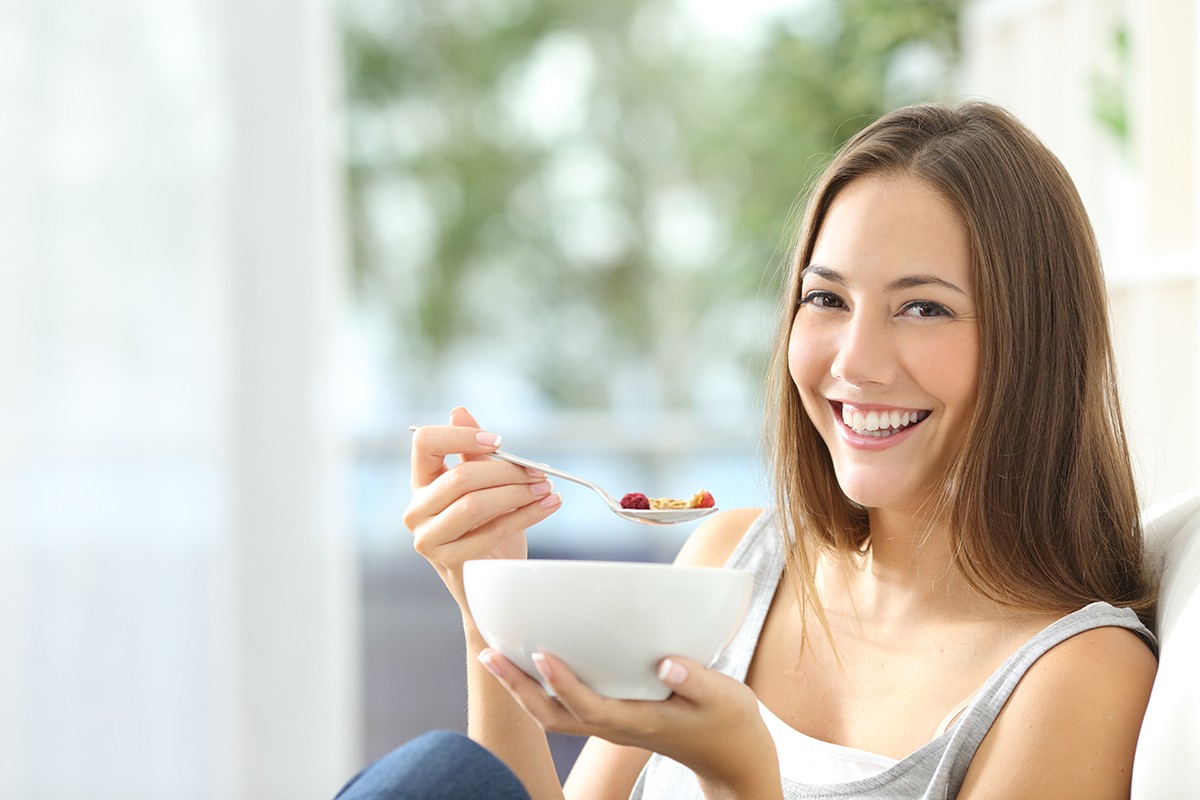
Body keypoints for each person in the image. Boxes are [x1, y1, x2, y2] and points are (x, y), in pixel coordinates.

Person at [337, 100, 1159, 800]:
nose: (853, 360)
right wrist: (495, 594)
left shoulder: (1079, 675)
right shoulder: (735, 561)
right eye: (826, 297)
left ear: (1036, 344)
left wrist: (740, 777)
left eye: (924, 309)